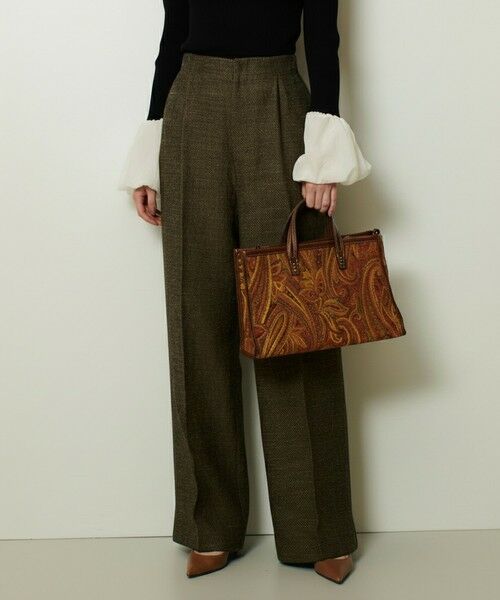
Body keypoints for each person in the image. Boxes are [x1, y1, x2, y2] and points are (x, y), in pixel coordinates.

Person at [119, 0, 371, 584]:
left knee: (294, 319)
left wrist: (323, 157)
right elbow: (173, 37)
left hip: (276, 102)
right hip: (192, 109)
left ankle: (319, 529)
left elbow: (324, 40)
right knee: (197, 318)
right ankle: (210, 524)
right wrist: (150, 157)